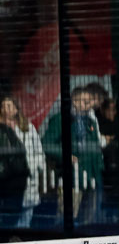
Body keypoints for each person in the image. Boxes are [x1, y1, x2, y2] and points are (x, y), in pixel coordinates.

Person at [42, 86, 104, 223]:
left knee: (91, 219)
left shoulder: (90, 122)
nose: (89, 105)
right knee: (67, 217)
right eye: (85, 102)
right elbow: (46, 144)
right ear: (75, 102)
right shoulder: (60, 120)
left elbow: (96, 146)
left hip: (92, 177)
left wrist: (99, 168)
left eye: (89, 102)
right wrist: (65, 155)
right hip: (71, 177)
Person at [1, 96, 46, 228]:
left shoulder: (28, 128)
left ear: (16, 109)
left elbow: (39, 152)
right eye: (3, 106)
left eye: (9, 106)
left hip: (27, 179)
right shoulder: (1, 130)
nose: (5, 109)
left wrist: (32, 167)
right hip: (7, 182)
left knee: (25, 222)